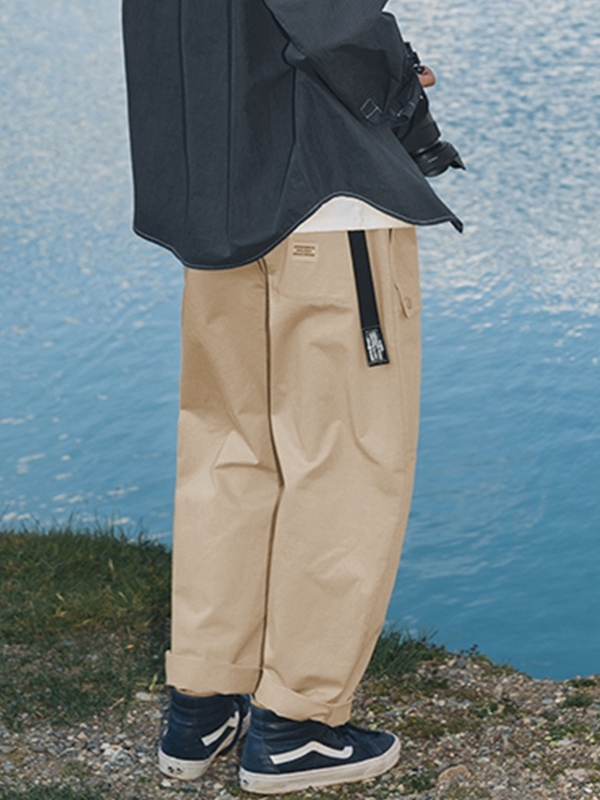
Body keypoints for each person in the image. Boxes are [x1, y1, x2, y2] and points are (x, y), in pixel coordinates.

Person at [122, 0, 462, 793]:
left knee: (227, 450)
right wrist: (407, 101)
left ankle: (204, 701)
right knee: (347, 461)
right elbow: (334, 22)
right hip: (326, 194)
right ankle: (298, 726)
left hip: (215, 199)